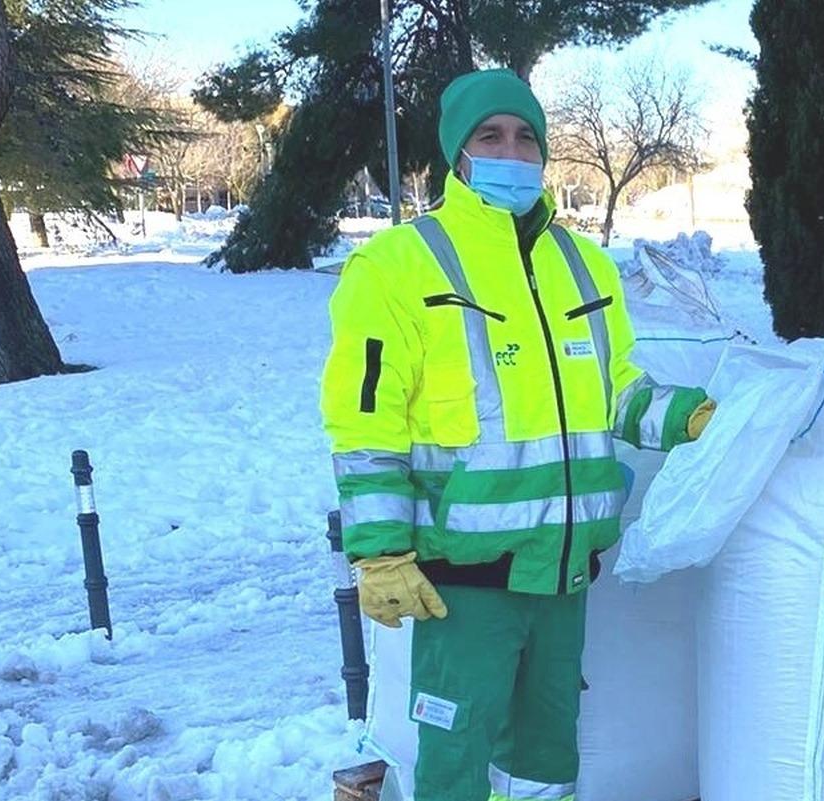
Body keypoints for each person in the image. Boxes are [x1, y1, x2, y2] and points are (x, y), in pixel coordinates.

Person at [320, 68, 715, 801]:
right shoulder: (398, 266)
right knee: (455, 760)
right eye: (490, 136)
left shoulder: (581, 262)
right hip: (462, 581)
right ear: (457, 155)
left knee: (542, 761)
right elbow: (366, 420)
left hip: (561, 573)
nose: (512, 150)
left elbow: (615, 389)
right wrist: (378, 553)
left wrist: (691, 418)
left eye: (526, 136)